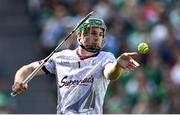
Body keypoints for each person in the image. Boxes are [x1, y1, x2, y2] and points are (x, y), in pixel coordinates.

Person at [12, 17, 140, 114]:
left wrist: (117, 65)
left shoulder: (106, 57)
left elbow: (111, 74)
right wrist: (18, 81)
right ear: (79, 35)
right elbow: (28, 68)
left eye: (101, 35)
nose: (97, 38)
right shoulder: (60, 57)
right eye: (93, 33)